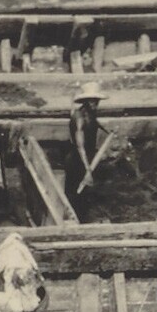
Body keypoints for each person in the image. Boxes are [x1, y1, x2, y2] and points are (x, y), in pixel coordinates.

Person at [63, 83, 108, 219]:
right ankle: (72, 218)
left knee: (84, 193)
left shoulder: (90, 113)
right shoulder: (79, 118)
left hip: (87, 158)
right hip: (76, 160)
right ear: (86, 101)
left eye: (97, 101)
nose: (95, 104)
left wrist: (107, 130)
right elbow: (80, 146)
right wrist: (87, 170)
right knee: (75, 192)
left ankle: (83, 217)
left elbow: (95, 122)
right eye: (92, 101)